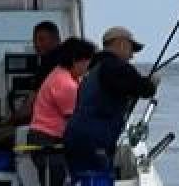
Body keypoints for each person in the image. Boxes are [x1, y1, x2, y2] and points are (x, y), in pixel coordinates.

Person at [63, 26, 158, 177]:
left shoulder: (94, 68)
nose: (132, 56)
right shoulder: (113, 66)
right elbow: (143, 88)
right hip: (94, 141)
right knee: (98, 183)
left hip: (75, 138)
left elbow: (122, 88)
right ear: (121, 43)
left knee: (81, 184)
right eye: (131, 49)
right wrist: (152, 83)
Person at [27, 37, 97, 186]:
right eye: (87, 62)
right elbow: (74, 120)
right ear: (76, 60)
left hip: (51, 138)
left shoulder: (63, 74)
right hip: (46, 140)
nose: (88, 68)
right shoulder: (65, 83)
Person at [31, 20, 62, 87]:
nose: (37, 44)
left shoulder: (62, 63)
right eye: (34, 40)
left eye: (41, 39)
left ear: (56, 40)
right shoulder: (44, 62)